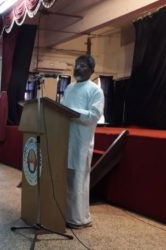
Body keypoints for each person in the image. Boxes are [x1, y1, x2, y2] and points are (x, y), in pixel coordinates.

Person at [61, 54, 104, 229]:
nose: (78, 68)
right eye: (76, 65)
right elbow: (60, 109)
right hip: (63, 138)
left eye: (83, 65)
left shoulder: (95, 90)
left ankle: (79, 219)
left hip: (81, 142)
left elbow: (94, 115)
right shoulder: (69, 88)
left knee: (78, 180)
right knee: (65, 179)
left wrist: (71, 111)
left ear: (92, 70)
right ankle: (64, 213)